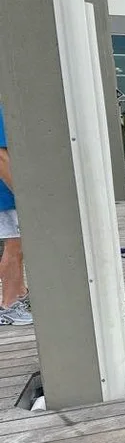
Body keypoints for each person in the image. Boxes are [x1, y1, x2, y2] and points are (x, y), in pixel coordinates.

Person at [0, 103, 32, 325]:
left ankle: (20, 294)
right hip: (7, 194)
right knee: (15, 245)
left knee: (19, 246)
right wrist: (23, 194)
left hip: (8, 193)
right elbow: (1, 157)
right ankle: (9, 304)